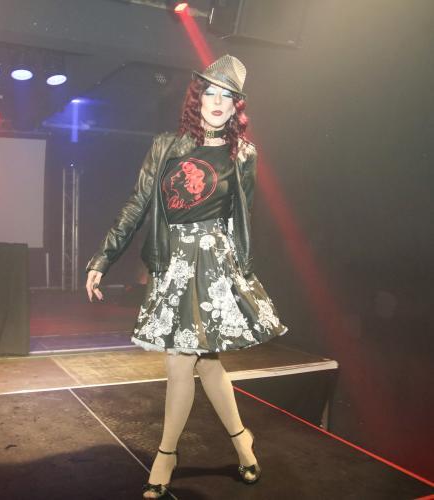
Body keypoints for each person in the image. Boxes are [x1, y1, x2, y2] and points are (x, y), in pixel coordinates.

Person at [86, 54, 288, 499]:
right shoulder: (166, 146)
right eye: (210, 93)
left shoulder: (243, 154)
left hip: (213, 264)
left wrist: (240, 275)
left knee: (188, 361)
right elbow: (137, 204)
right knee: (201, 362)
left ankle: (168, 454)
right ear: (197, 99)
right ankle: (240, 441)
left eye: (227, 96)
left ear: (236, 106)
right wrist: (103, 257)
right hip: (173, 264)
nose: (217, 102)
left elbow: (242, 218)